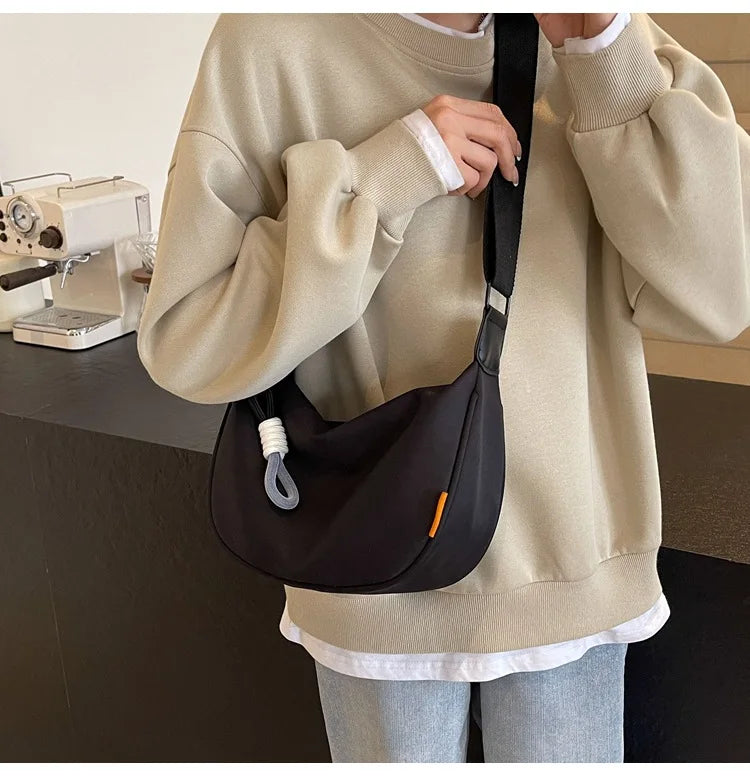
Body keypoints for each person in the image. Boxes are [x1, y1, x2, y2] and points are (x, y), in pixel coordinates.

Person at [136, 11, 750, 763]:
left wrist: (603, 57)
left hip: (571, 578)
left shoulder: (602, 35)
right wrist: (389, 175)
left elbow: (721, 295)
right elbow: (189, 338)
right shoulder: (272, 41)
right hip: (375, 580)